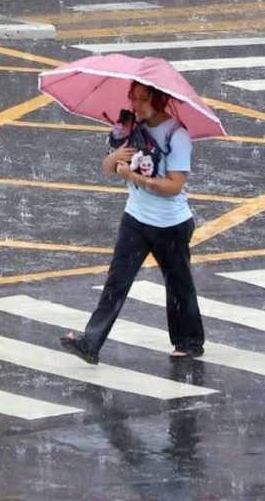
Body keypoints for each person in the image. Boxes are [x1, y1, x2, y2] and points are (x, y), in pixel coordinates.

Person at [60, 80, 205, 364]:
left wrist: (135, 178)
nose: (136, 105)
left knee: (178, 285)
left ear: (160, 100)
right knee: (117, 281)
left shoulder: (176, 136)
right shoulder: (129, 130)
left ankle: (189, 342)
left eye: (143, 99)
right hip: (135, 219)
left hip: (170, 224)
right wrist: (114, 157)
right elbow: (108, 167)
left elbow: (174, 185)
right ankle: (92, 342)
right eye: (133, 98)